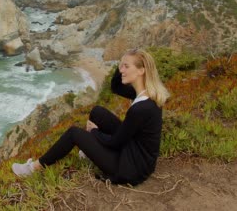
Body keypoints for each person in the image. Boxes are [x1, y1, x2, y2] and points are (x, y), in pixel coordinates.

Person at [12, 48, 170, 185]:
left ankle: (34, 168)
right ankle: (92, 152)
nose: (122, 70)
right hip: (136, 155)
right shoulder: (147, 94)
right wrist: (122, 62)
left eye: (126, 67)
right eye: (122, 66)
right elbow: (115, 87)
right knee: (98, 112)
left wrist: (94, 132)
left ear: (141, 70)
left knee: (74, 133)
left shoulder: (141, 109)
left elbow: (115, 143)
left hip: (130, 169)